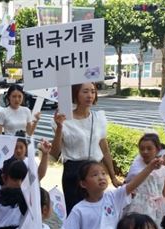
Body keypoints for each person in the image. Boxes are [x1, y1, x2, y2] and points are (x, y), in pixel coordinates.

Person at [50, 82, 121, 214]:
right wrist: (59, 127)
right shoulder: (63, 119)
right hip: (73, 173)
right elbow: (55, 153)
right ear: (76, 94)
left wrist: (113, 177)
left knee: (97, 213)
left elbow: (105, 150)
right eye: (85, 91)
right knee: (76, 214)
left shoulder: (99, 118)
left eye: (93, 91)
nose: (90, 95)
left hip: (95, 171)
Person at [123, 133, 165, 229]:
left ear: (157, 149)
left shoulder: (164, 169)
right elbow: (128, 186)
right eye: (142, 148)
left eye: (149, 148)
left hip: (158, 206)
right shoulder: (136, 167)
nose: (145, 151)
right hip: (140, 205)